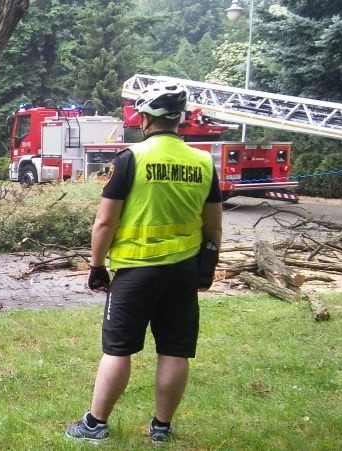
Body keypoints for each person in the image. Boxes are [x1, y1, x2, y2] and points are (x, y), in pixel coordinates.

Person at [65, 82, 223, 443]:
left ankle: (95, 424)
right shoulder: (202, 162)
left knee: (118, 349)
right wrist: (206, 268)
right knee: (174, 350)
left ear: (146, 119)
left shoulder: (131, 158)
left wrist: (96, 266)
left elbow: (105, 221)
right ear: (180, 120)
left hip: (136, 271)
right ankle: (161, 429)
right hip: (183, 271)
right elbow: (213, 226)